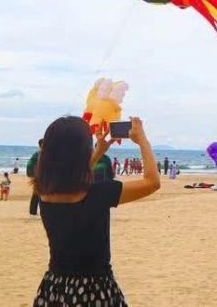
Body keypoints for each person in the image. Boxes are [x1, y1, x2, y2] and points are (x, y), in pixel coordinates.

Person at [33, 115, 160, 306]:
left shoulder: (43, 194)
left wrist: (99, 150)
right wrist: (142, 140)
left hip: (55, 287)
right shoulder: (100, 194)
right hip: (95, 290)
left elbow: (72, 179)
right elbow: (152, 182)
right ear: (82, 152)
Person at [27, 139, 43, 216]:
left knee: (38, 193)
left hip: (38, 175)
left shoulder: (37, 153)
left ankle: (33, 212)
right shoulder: (40, 153)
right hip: (40, 175)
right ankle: (34, 212)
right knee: (39, 193)